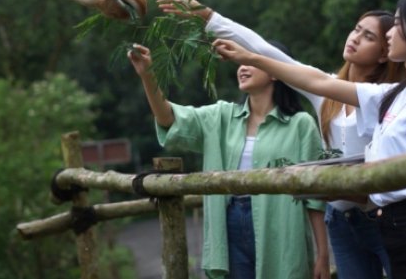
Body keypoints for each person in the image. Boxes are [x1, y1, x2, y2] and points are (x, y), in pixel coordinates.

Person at [212, 0, 406, 279]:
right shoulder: (397, 95)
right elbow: (316, 81)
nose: (391, 31)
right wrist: (251, 57)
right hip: (390, 226)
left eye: (399, 23)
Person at [157, 0, 405, 279]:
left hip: (384, 217)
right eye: (356, 29)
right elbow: (263, 48)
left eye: (369, 37)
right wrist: (206, 15)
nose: (355, 37)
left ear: (385, 52)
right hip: (341, 220)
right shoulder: (325, 92)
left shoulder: (390, 98)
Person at [128, 41, 331, 279]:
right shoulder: (221, 117)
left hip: (281, 225)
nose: (242, 68)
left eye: (251, 62)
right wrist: (147, 75)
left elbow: (315, 198)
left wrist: (323, 255)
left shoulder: (301, 124)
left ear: (276, 71)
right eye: (241, 62)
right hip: (230, 221)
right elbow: (168, 118)